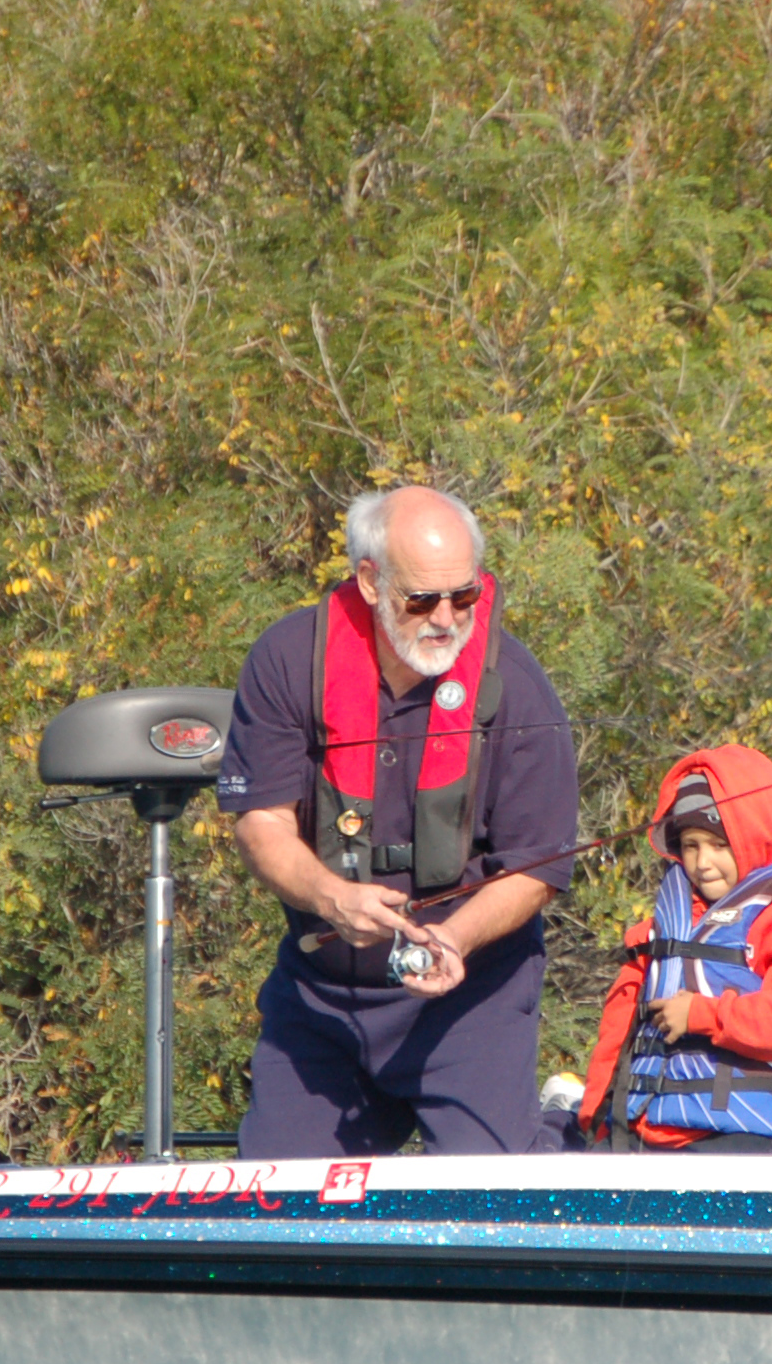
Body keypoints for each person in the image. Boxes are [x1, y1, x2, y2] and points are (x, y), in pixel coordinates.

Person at [218, 485, 582, 1157]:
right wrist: (330, 897)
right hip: (323, 997)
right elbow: (259, 824)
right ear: (370, 581)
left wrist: (458, 938)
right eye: (422, 599)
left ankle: (560, 1134)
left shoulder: (520, 686)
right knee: (285, 1218)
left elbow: (540, 867)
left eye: (464, 596)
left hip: (471, 998)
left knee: (480, 1217)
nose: (446, 617)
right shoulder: (286, 660)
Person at [575, 747, 772, 1153]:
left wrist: (704, 1015)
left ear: (754, 837)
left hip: (747, 1140)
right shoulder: (659, 929)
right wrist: (595, 1121)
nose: (703, 862)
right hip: (649, 1134)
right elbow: (617, 1032)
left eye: (719, 845)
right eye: (690, 846)